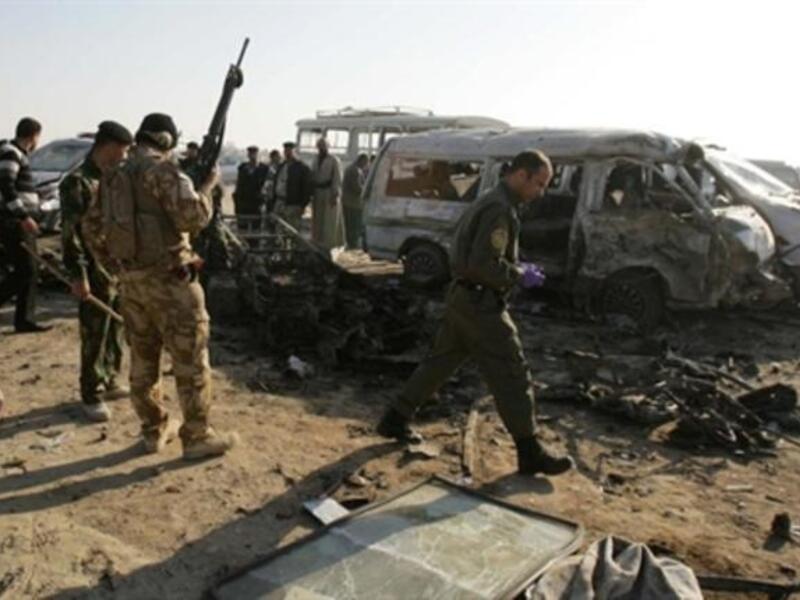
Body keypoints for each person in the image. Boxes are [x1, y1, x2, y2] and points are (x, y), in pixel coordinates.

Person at [376, 150, 573, 477]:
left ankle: (395, 417)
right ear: (522, 175)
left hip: (464, 298)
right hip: (481, 303)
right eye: (539, 183)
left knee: (440, 362)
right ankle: (529, 450)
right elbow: (483, 264)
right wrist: (517, 275)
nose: (541, 192)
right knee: (512, 371)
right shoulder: (499, 208)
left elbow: (476, 256)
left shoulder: (492, 200)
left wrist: (514, 267)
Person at [83, 112, 238, 459]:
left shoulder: (112, 176)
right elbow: (193, 218)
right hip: (171, 284)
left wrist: (119, 269)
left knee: (142, 361)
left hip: (132, 286)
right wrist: (207, 189)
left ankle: (153, 431)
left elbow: (92, 229)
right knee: (191, 361)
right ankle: (197, 437)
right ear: (166, 140)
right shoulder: (162, 170)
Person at [60, 120, 132, 422]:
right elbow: (71, 232)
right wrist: (78, 274)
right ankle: (91, 393)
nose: (124, 156)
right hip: (92, 267)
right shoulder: (77, 181)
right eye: (122, 150)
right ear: (108, 147)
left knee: (115, 327)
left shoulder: (112, 178)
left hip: (114, 266)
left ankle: (110, 376)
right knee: (94, 332)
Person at [0, 117, 50, 333]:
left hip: (18, 220)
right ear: (34, 136)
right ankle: (24, 319)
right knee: (26, 270)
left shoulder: (17, 154)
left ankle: (24, 320)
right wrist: (23, 216)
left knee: (28, 270)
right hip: (14, 222)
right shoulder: (11, 152)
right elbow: (6, 184)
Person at [310, 138, 345, 249]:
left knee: (330, 219)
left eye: (323, 146)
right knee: (318, 218)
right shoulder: (315, 159)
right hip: (317, 192)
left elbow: (338, 178)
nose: (321, 148)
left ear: (327, 147)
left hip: (329, 191)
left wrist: (335, 194)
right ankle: (318, 240)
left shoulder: (334, 160)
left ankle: (330, 242)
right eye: (319, 146)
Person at [271, 141, 312, 230]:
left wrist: (303, 205)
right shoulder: (282, 166)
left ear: (294, 151)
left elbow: (307, 188)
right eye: (286, 150)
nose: (287, 153)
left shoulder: (302, 167)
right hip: (280, 203)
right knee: (278, 230)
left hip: (293, 205)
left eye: (290, 150)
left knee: (291, 231)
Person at [233, 145, 269, 230]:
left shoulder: (264, 168)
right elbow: (239, 184)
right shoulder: (242, 168)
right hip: (243, 203)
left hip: (257, 203)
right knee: (242, 229)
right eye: (250, 154)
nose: (252, 156)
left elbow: (268, 185)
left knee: (256, 229)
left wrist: (263, 197)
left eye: (254, 154)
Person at [341, 153, 368, 250]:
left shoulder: (352, 169)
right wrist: (367, 191)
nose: (366, 165)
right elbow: (356, 188)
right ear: (361, 160)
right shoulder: (354, 171)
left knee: (350, 224)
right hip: (352, 203)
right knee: (353, 225)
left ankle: (351, 243)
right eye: (365, 162)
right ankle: (352, 244)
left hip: (349, 202)